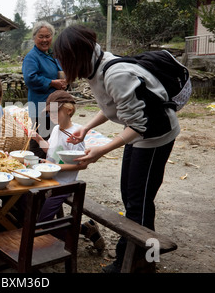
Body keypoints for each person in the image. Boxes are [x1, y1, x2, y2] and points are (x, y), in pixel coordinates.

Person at [53, 25, 180, 272]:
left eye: (64, 60)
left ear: (75, 56)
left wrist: (101, 150)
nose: (62, 66)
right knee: (133, 196)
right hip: (140, 134)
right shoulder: (96, 67)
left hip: (155, 135)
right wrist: (86, 128)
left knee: (138, 201)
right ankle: (142, 257)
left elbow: (139, 125)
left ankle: (135, 263)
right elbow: (111, 103)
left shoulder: (115, 73)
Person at [31, 90, 105, 251]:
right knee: (28, 202)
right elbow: (51, 150)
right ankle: (78, 230)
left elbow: (81, 164)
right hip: (49, 180)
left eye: (54, 111)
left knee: (43, 224)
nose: (50, 115)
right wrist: (38, 139)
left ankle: (85, 230)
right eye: (49, 112)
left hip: (64, 185)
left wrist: (54, 166)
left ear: (68, 110)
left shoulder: (76, 134)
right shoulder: (57, 129)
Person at [22, 21, 68, 159]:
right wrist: (52, 83)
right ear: (34, 38)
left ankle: (52, 167)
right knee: (39, 140)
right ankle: (37, 168)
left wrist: (64, 82)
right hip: (40, 106)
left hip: (55, 104)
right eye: (41, 37)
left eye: (48, 36)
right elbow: (30, 78)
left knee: (54, 138)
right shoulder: (32, 57)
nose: (45, 40)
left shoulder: (52, 55)